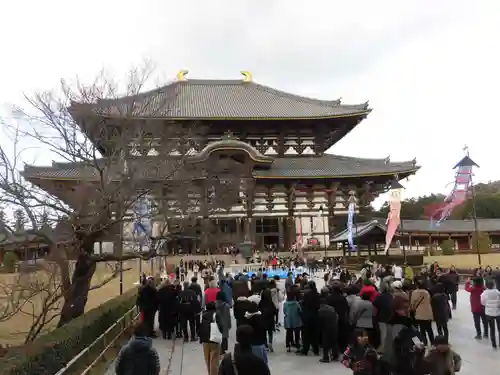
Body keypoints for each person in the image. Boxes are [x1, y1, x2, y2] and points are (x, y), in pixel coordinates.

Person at [199, 302, 223, 375]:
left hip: (205, 340)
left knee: (208, 359)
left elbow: (200, 327)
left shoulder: (203, 315)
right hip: (214, 339)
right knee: (214, 360)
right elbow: (221, 327)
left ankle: (209, 372)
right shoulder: (217, 314)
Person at [410, 281, 434, 346]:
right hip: (428, 312)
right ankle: (432, 343)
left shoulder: (414, 292)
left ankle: (424, 343)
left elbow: (412, 303)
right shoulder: (427, 292)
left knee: (422, 329)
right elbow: (429, 301)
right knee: (429, 329)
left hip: (419, 313)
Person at [480, 279, 500, 348]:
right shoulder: (497, 292)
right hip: (497, 312)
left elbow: (482, 303)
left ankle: (493, 344)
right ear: (494, 285)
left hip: (489, 313)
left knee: (492, 329)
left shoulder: (484, 293)